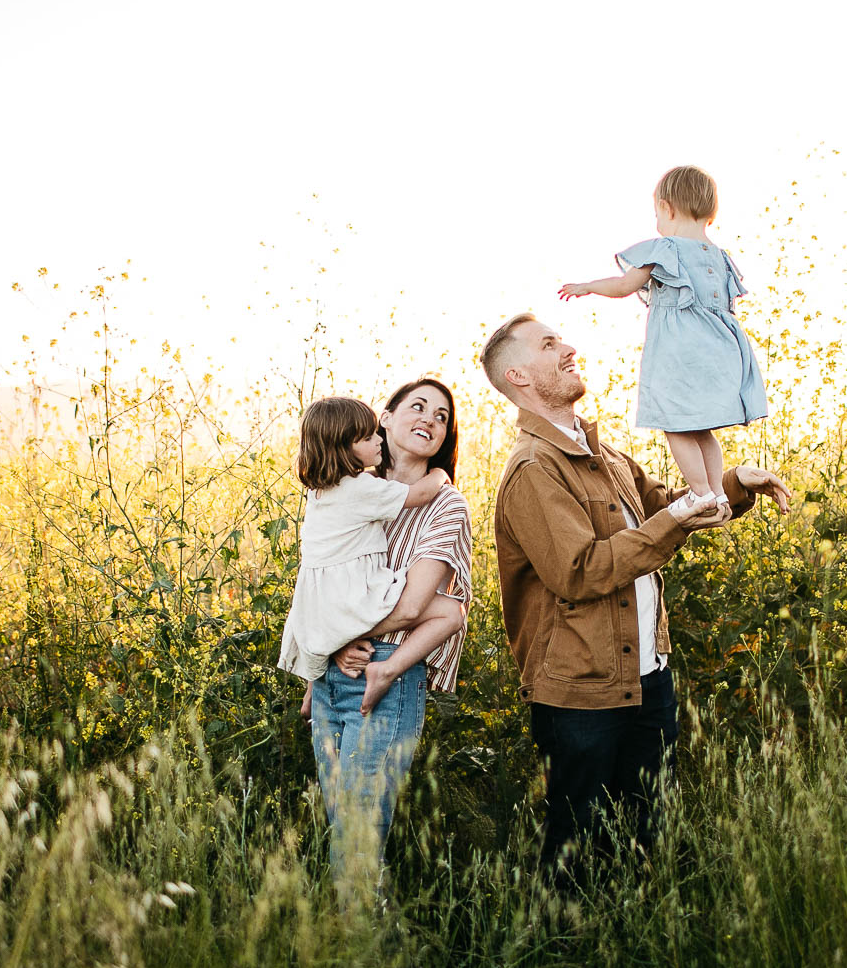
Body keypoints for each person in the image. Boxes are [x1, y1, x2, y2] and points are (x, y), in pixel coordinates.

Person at [479, 313, 791, 875]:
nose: (569, 346)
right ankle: (565, 955)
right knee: (577, 852)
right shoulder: (533, 469)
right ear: (520, 376)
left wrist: (735, 484)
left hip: (647, 676)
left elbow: (665, 504)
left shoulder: (608, 455)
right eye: (550, 345)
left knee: (649, 835)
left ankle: (640, 946)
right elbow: (581, 571)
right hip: (580, 691)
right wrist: (674, 518)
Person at [290, 382, 474, 897]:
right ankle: (369, 953)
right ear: (385, 420)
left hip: (386, 669)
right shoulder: (349, 488)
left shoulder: (445, 504)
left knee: (357, 834)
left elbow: (417, 606)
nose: (431, 420)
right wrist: (321, 664)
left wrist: (340, 637)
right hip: (333, 673)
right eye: (418, 407)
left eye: (442, 416)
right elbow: (324, 575)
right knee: (345, 828)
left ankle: (360, 960)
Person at [559, 164, 767, 516]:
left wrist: (588, 287)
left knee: (674, 423)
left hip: (680, 356)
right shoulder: (719, 257)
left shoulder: (664, 249)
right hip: (721, 353)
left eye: (657, 212)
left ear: (668, 208)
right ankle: (718, 491)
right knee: (701, 430)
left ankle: (700, 493)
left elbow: (625, 286)